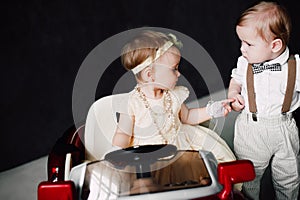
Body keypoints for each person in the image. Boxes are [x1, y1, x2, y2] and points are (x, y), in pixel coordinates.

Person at [112, 30, 236, 163]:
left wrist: (212, 111)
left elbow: (187, 116)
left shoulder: (173, 95)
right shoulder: (132, 103)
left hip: (182, 146)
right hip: (149, 155)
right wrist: (119, 152)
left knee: (204, 165)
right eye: (174, 69)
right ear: (150, 75)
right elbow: (123, 134)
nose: (179, 74)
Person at [228, 1, 300, 199]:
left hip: (284, 128)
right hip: (251, 129)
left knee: (289, 179)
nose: (242, 49)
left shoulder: (295, 66)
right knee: (248, 178)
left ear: (275, 45)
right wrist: (233, 95)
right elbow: (235, 81)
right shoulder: (245, 62)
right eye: (241, 42)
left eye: (248, 44)